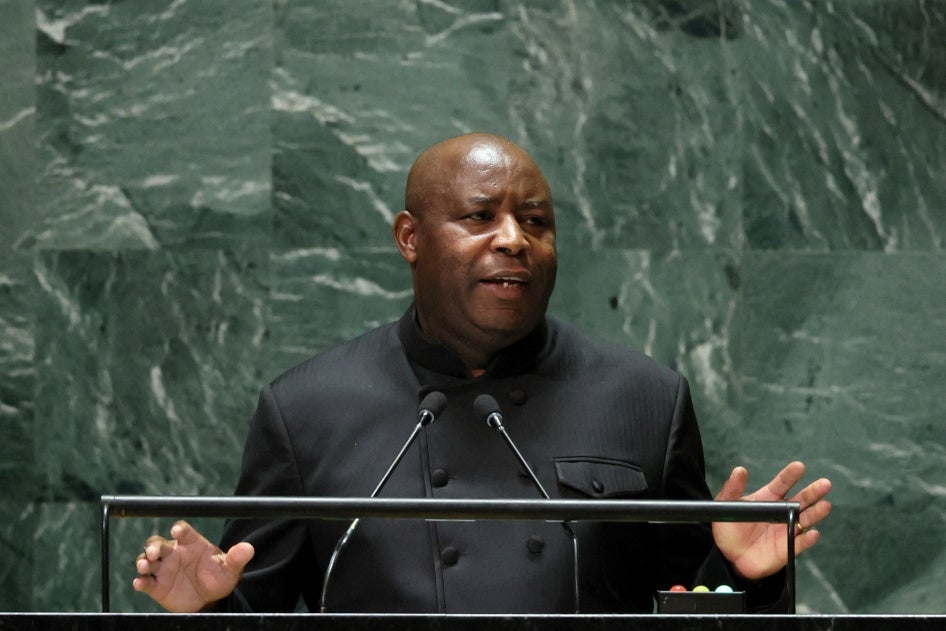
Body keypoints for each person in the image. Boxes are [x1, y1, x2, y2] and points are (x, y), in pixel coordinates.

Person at [133, 133, 832, 613]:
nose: (513, 239)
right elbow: (259, 609)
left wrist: (741, 571)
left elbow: (686, 602)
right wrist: (211, 606)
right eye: (480, 215)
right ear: (410, 238)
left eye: (535, 221)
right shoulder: (307, 409)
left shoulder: (644, 398)